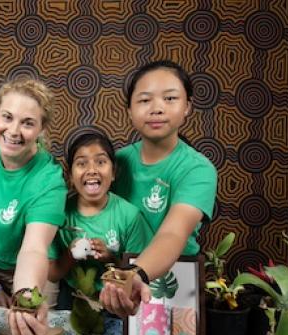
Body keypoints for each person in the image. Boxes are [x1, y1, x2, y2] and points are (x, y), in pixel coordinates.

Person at [100, 60, 217, 317]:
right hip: (117, 284)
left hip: (173, 281)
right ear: (129, 110)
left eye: (170, 98)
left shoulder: (197, 169)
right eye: (144, 100)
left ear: (187, 107)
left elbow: (173, 234)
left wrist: (136, 273)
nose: (157, 108)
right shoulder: (114, 163)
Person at [0, 77, 67, 335]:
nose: (13, 131)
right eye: (7, 117)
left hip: (36, 273)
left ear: (42, 129)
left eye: (27, 123)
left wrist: (25, 296)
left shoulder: (49, 180)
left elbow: (34, 248)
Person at [48, 131, 153, 310]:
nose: (91, 170)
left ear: (113, 172)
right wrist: (70, 255)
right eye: (81, 163)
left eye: (101, 162)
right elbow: (52, 274)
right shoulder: (57, 214)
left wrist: (110, 258)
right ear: (70, 175)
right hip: (72, 297)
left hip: (116, 299)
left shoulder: (130, 215)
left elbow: (140, 273)